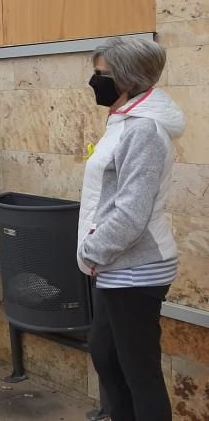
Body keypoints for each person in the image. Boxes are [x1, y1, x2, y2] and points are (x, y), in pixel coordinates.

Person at [78, 38, 184, 421]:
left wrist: (91, 252)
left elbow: (131, 215)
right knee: (106, 354)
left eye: (101, 74)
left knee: (139, 370)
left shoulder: (143, 132)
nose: (94, 81)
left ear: (127, 78)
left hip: (136, 267)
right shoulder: (123, 122)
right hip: (115, 265)